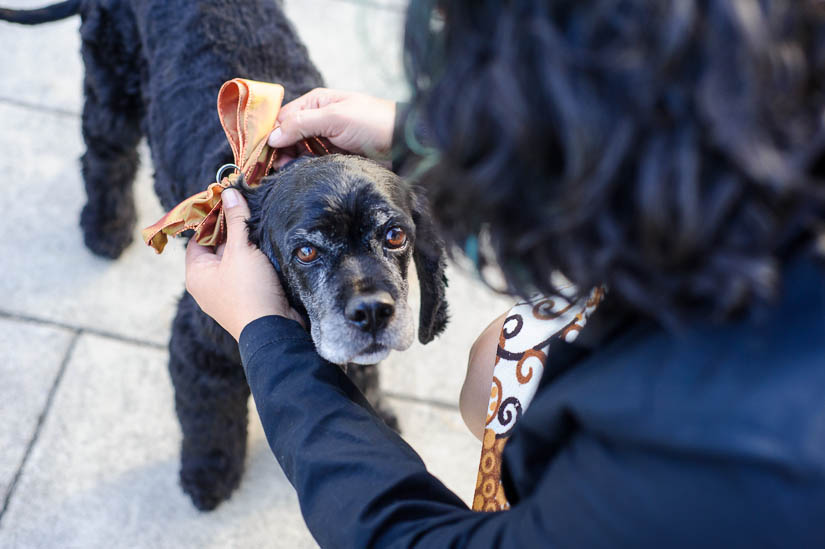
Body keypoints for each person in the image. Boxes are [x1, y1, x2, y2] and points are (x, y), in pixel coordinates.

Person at [185, 1, 825, 547]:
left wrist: (264, 330)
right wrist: (422, 136)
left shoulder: (692, 463)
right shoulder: (779, 143)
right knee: (500, 355)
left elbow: (416, 538)